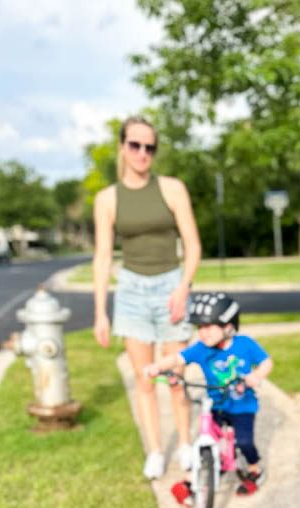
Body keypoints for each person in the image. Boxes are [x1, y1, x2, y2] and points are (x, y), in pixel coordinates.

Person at [93, 115, 202, 480]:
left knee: (174, 376)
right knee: (144, 379)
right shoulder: (107, 199)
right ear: (123, 147)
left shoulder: (172, 188)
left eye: (150, 147)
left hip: (171, 286)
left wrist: (184, 286)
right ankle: (156, 451)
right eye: (135, 145)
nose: (143, 153)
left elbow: (192, 243)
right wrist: (100, 313)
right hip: (131, 292)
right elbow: (103, 256)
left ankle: (185, 443)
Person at [145, 292, 273, 496]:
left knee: (244, 441)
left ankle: (255, 469)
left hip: (242, 406)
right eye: (200, 327)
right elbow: (177, 359)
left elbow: (267, 362)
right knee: (206, 438)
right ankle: (194, 477)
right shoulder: (202, 348)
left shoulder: (245, 344)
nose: (203, 333)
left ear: (228, 326)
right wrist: (157, 366)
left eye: (209, 326)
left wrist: (256, 376)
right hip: (216, 404)